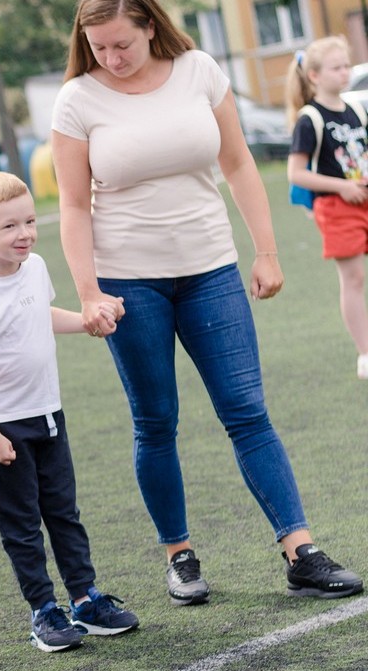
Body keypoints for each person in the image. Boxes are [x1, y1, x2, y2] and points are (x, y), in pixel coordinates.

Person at [52, 0, 362, 606]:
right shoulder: (78, 100)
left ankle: (300, 551)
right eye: (98, 48)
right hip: (128, 283)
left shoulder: (198, 70)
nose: (111, 59)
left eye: (123, 44)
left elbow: (239, 162)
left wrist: (265, 250)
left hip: (211, 270)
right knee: (156, 421)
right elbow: (70, 205)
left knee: (247, 411)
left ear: (150, 26)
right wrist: (89, 292)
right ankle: (179, 555)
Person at [0, 172, 139, 653]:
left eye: (30, 221)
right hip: (6, 430)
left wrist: (88, 321)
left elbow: (41, 316)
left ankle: (85, 599)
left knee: (64, 513)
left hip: (50, 417)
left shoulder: (34, 267)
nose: (24, 234)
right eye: (9, 227)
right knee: (23, 527)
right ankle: (43, 611)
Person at [285, 36, 368, 380]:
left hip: (362, 197)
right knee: (353, 278)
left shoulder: (357, 108)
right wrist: (342, 187)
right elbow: (297, 174)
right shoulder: (310, 118)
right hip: (336, 208)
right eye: (337, 68)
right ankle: (365, 354)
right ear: (315, 75)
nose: (345, 72)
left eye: (347, 65)